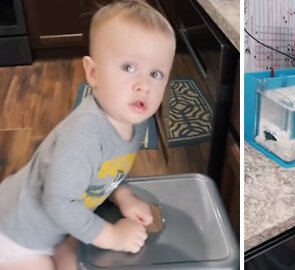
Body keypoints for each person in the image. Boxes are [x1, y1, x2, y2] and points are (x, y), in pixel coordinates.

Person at [0, 0, 176, 269]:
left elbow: (108, 171)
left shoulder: (135, 121)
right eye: (129, 67)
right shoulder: (83, 137)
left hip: (55, 228)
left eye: (156, 73)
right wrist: (112, 236)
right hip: (17, 232)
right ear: (93, 72)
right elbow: (59, 203)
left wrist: (123, 196)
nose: (144, 85)